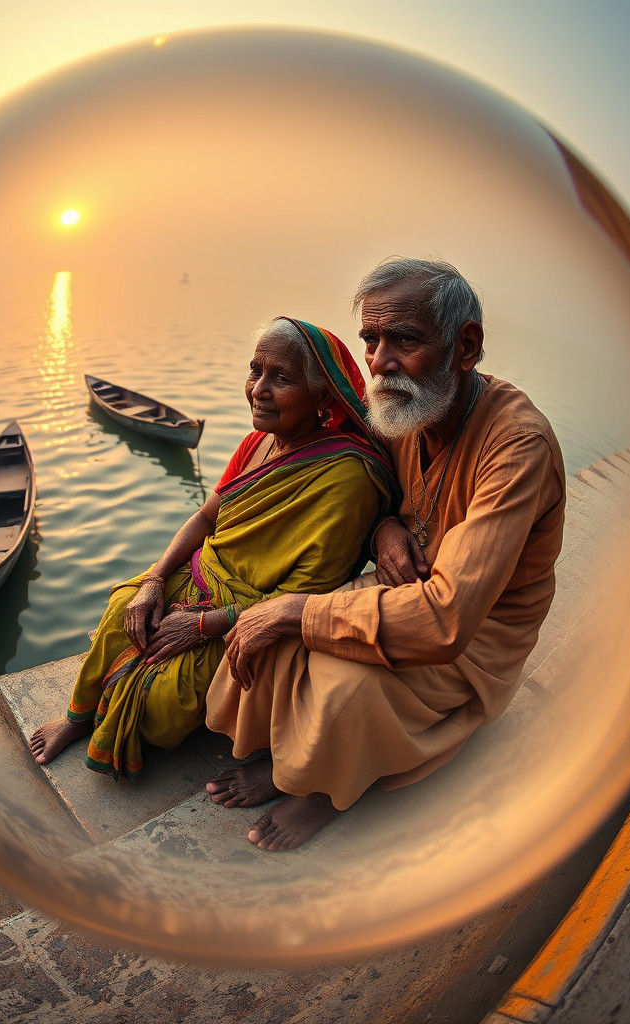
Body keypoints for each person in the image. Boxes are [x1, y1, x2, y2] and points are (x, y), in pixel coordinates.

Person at [205, 257, 566, 851]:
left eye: (405, 340)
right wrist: (386, 530)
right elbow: (385, 493)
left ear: (465, 346)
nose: (379, 362)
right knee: (271, 648)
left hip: (478, 629)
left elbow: (449, 621)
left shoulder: (517, 443)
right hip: (407, 587)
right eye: (371, 340)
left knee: (343, 690)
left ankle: (322, 791)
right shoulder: (406, 409)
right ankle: (287, 760)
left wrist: (298, 609)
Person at [29, 317, 392, 779]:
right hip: (203, 575)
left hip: (254, 611)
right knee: (126, 605)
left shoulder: (348, 478)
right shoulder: (256, 443)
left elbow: (308, 595)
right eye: (255, 371)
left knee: (164, 708)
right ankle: (78, 719)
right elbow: (206, 518)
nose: (258, 389)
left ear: (323, 398)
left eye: (281, 378)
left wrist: (203, 625)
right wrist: (156, 579)